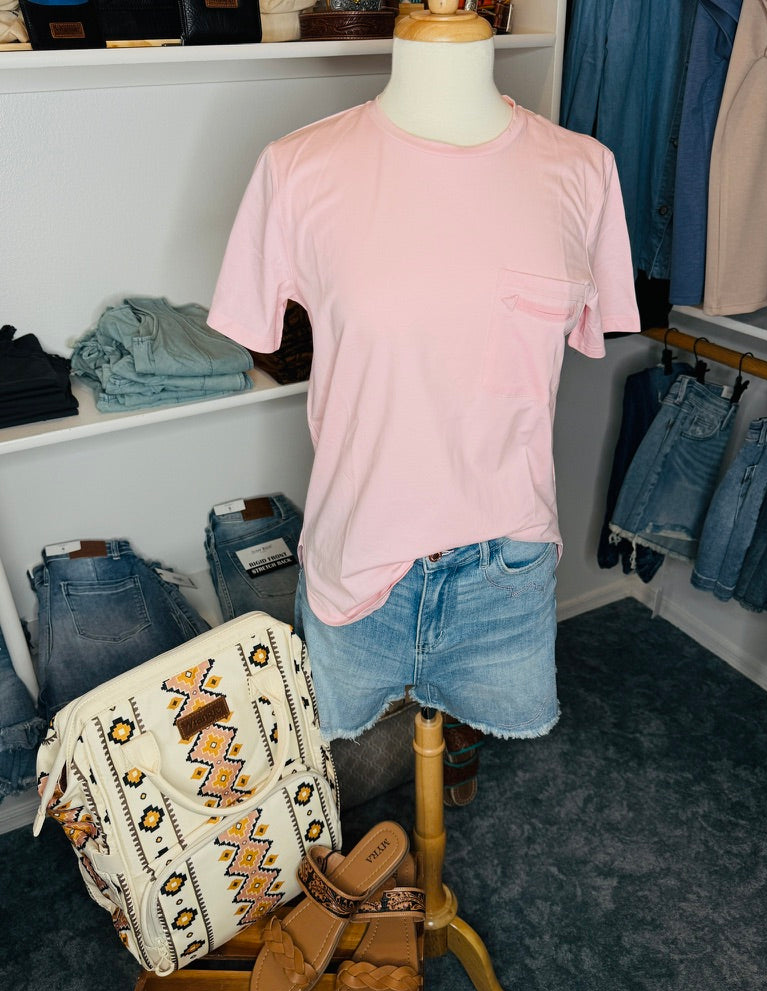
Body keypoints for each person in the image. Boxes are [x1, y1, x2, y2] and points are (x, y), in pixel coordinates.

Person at [208, 1, 640, 793]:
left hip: (506, 564)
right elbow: (255, 325)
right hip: (357, 558)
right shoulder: (299, 167)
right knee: (342, 743)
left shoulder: (583, 170)